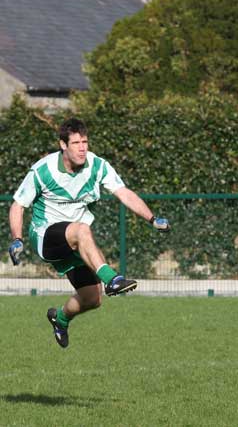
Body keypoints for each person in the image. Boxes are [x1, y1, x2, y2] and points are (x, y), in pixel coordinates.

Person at [8, 118, 170, 349]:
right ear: (63, 145)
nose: (82, 148)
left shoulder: (97, 165)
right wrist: (17, 239)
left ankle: (60, 318)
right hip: (46, 237)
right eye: (75, 143)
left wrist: (153, 219)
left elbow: (123, 193)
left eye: (85, 141)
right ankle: (113, 279)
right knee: (82, 230)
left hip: (75, 241)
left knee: (92, 298)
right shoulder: (43, 170)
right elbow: (17, 205)